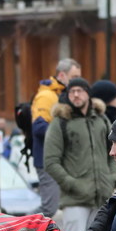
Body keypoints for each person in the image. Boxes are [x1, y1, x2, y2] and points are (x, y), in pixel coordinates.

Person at [43, 77, 116, 231]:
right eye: (72, 92)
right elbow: (50, 161)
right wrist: (72, 184)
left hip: (102, 196)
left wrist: (113, 178)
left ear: (88, 94)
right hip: (75, 200)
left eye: (80, 91)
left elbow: (113, 152)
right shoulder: (60, 122)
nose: (76, 95)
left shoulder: (101, 119)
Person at [30, 58, 82, 217]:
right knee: (49, 208)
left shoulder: (65, 95)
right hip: (47, 160)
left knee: (59, 207)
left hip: (60, 159)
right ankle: (14, 227)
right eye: (73, 77)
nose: (77, 82)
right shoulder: (46, 96)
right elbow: (39, 128)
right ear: (61, 75)